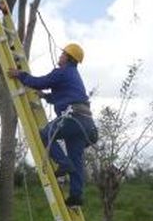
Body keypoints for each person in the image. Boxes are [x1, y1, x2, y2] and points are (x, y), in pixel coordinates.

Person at [8, 43, 97, 207]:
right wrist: (46, 97)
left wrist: (21, 75)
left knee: (46, 134)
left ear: (68, 58)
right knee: (76, 160)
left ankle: (63, 163)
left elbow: (40, 81)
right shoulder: (73, 75)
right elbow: (65, 95)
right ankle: (76, 197)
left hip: (73, 118)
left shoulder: (63, 72)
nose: (60, 56)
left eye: (63, 54)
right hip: (85, 124)